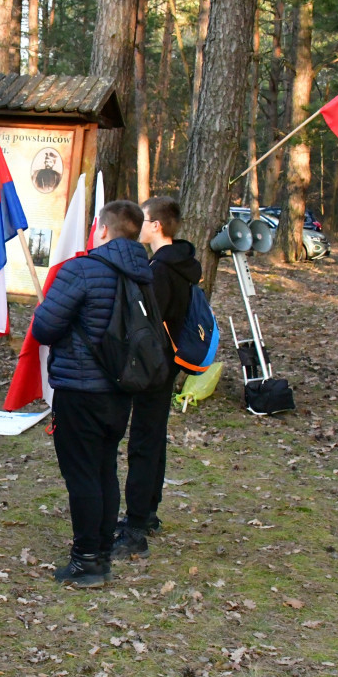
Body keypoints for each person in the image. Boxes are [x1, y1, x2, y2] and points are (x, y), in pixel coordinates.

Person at [31, 199, 150, 588]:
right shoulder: (144, 275)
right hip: (121, 390)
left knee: (83, 475)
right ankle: (99, 551)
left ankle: (87, 561)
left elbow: (45, 328)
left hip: (80, 390)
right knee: (104, 469)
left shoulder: (81, 270)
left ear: (101, 228)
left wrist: (44, 311)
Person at [113, 196, 202, 558]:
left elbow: (149, 323)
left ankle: (136, 527)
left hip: (155, 365)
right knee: (154, 436)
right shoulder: (182, 262)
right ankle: (148, 511)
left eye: (145, 220)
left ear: (157, 226)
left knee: (144, 442)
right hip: (167, 364)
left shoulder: (161, 270)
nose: (140, 226)